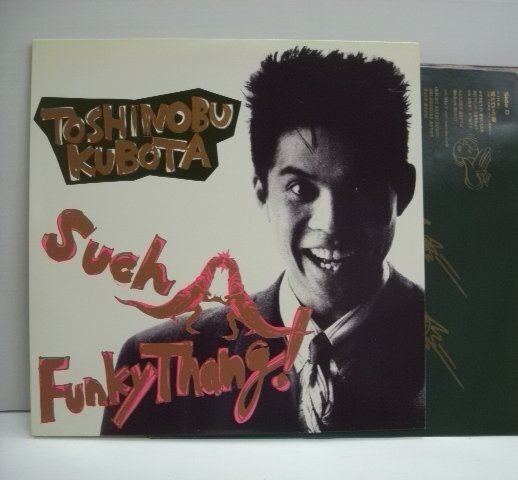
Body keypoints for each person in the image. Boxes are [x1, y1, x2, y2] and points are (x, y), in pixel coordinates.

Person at [101, 47, 425, 435]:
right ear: (262, 192)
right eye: (300, 188)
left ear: (404, 191)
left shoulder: (463, 352)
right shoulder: (154, 364)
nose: (331, 224)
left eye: (360, 187)